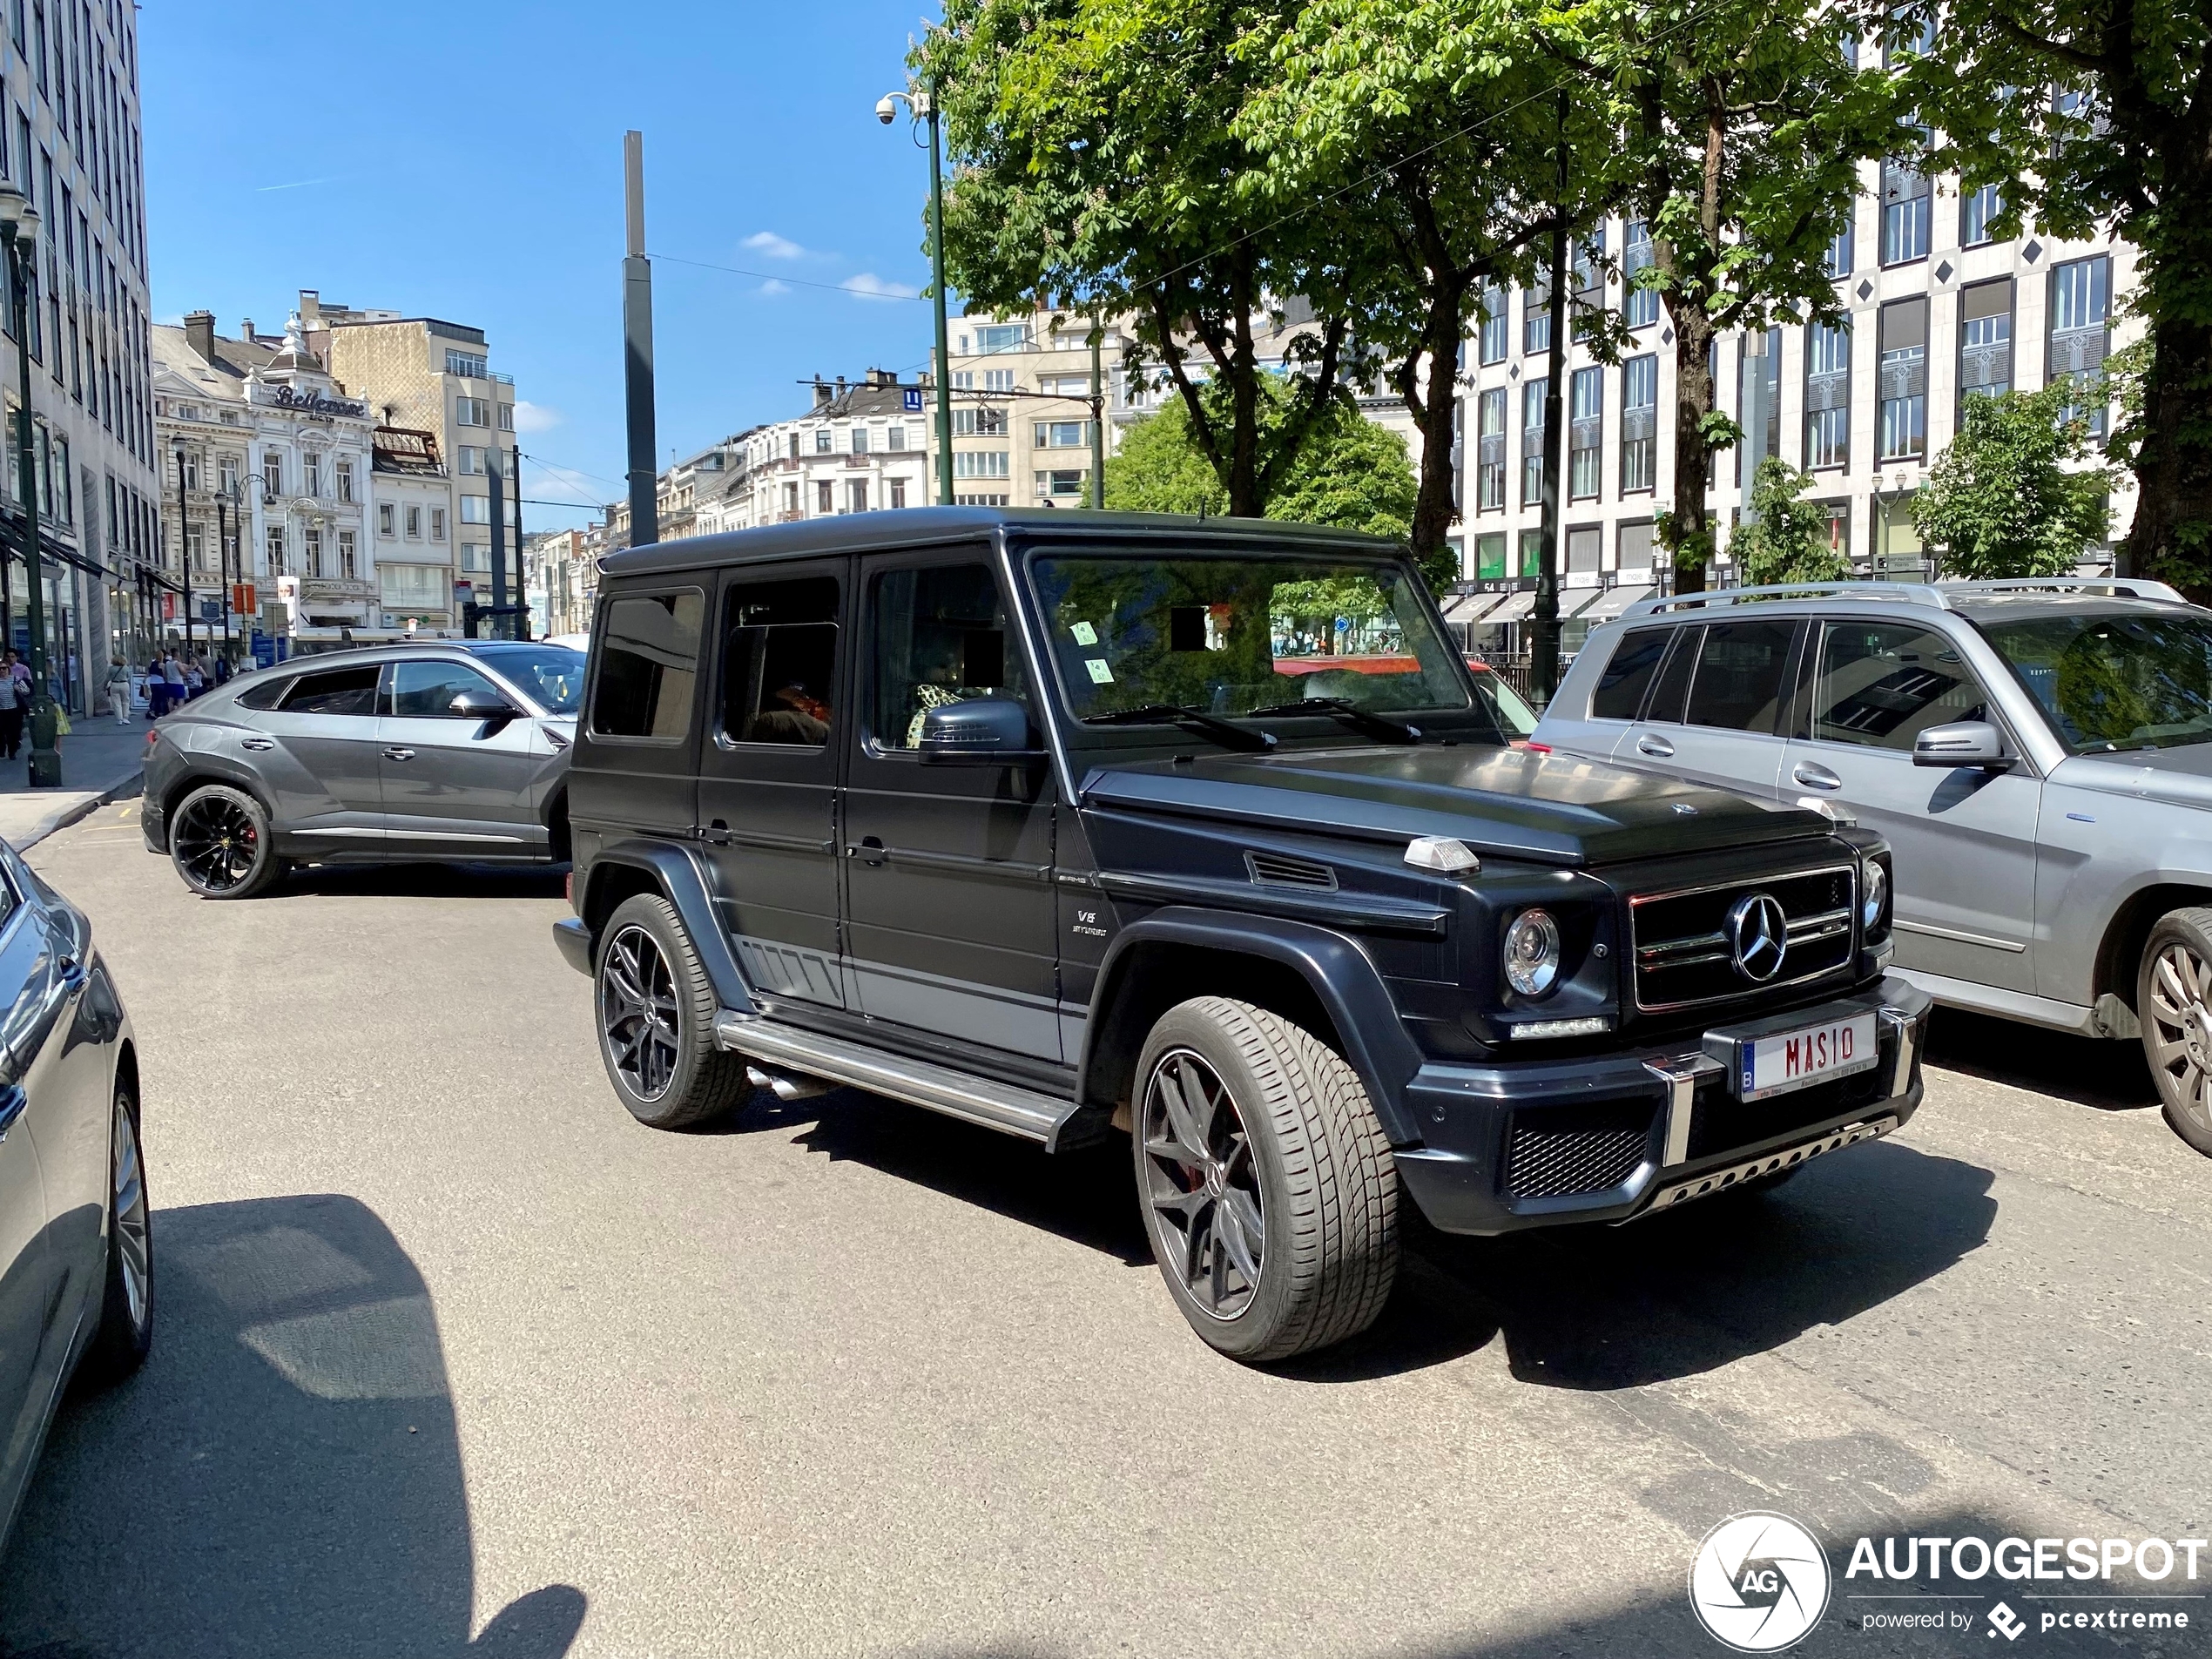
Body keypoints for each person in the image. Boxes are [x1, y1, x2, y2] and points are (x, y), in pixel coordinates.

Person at [0, 655, 21, 761]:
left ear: (8, 669)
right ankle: (2, 750)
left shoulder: (15, 679)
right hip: (1, 711)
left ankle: (12, 752)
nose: (2, 671)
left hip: (13, 710)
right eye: (0, 669)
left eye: (4, 668)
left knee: (12, 733)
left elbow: (26, 691)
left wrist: (18, 689)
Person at [105, 655, 132, 725]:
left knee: (116, 703)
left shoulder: (111, 668)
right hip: (124, 684)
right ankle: (125, 718)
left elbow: (107, 678)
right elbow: (128, 676)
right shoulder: (126, 668)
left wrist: (104, 686)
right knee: (126, 701)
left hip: (114, 684)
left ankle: (120, 719)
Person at [144, 655, 166, 719]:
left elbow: (148, 673)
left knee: (154, 697)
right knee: (162, 698)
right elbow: (164, 674)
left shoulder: (151, 664)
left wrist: (145, 679)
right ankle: (161, 712)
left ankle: (152, 711)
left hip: (152, 682)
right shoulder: (162, 665)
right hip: (160, 682)